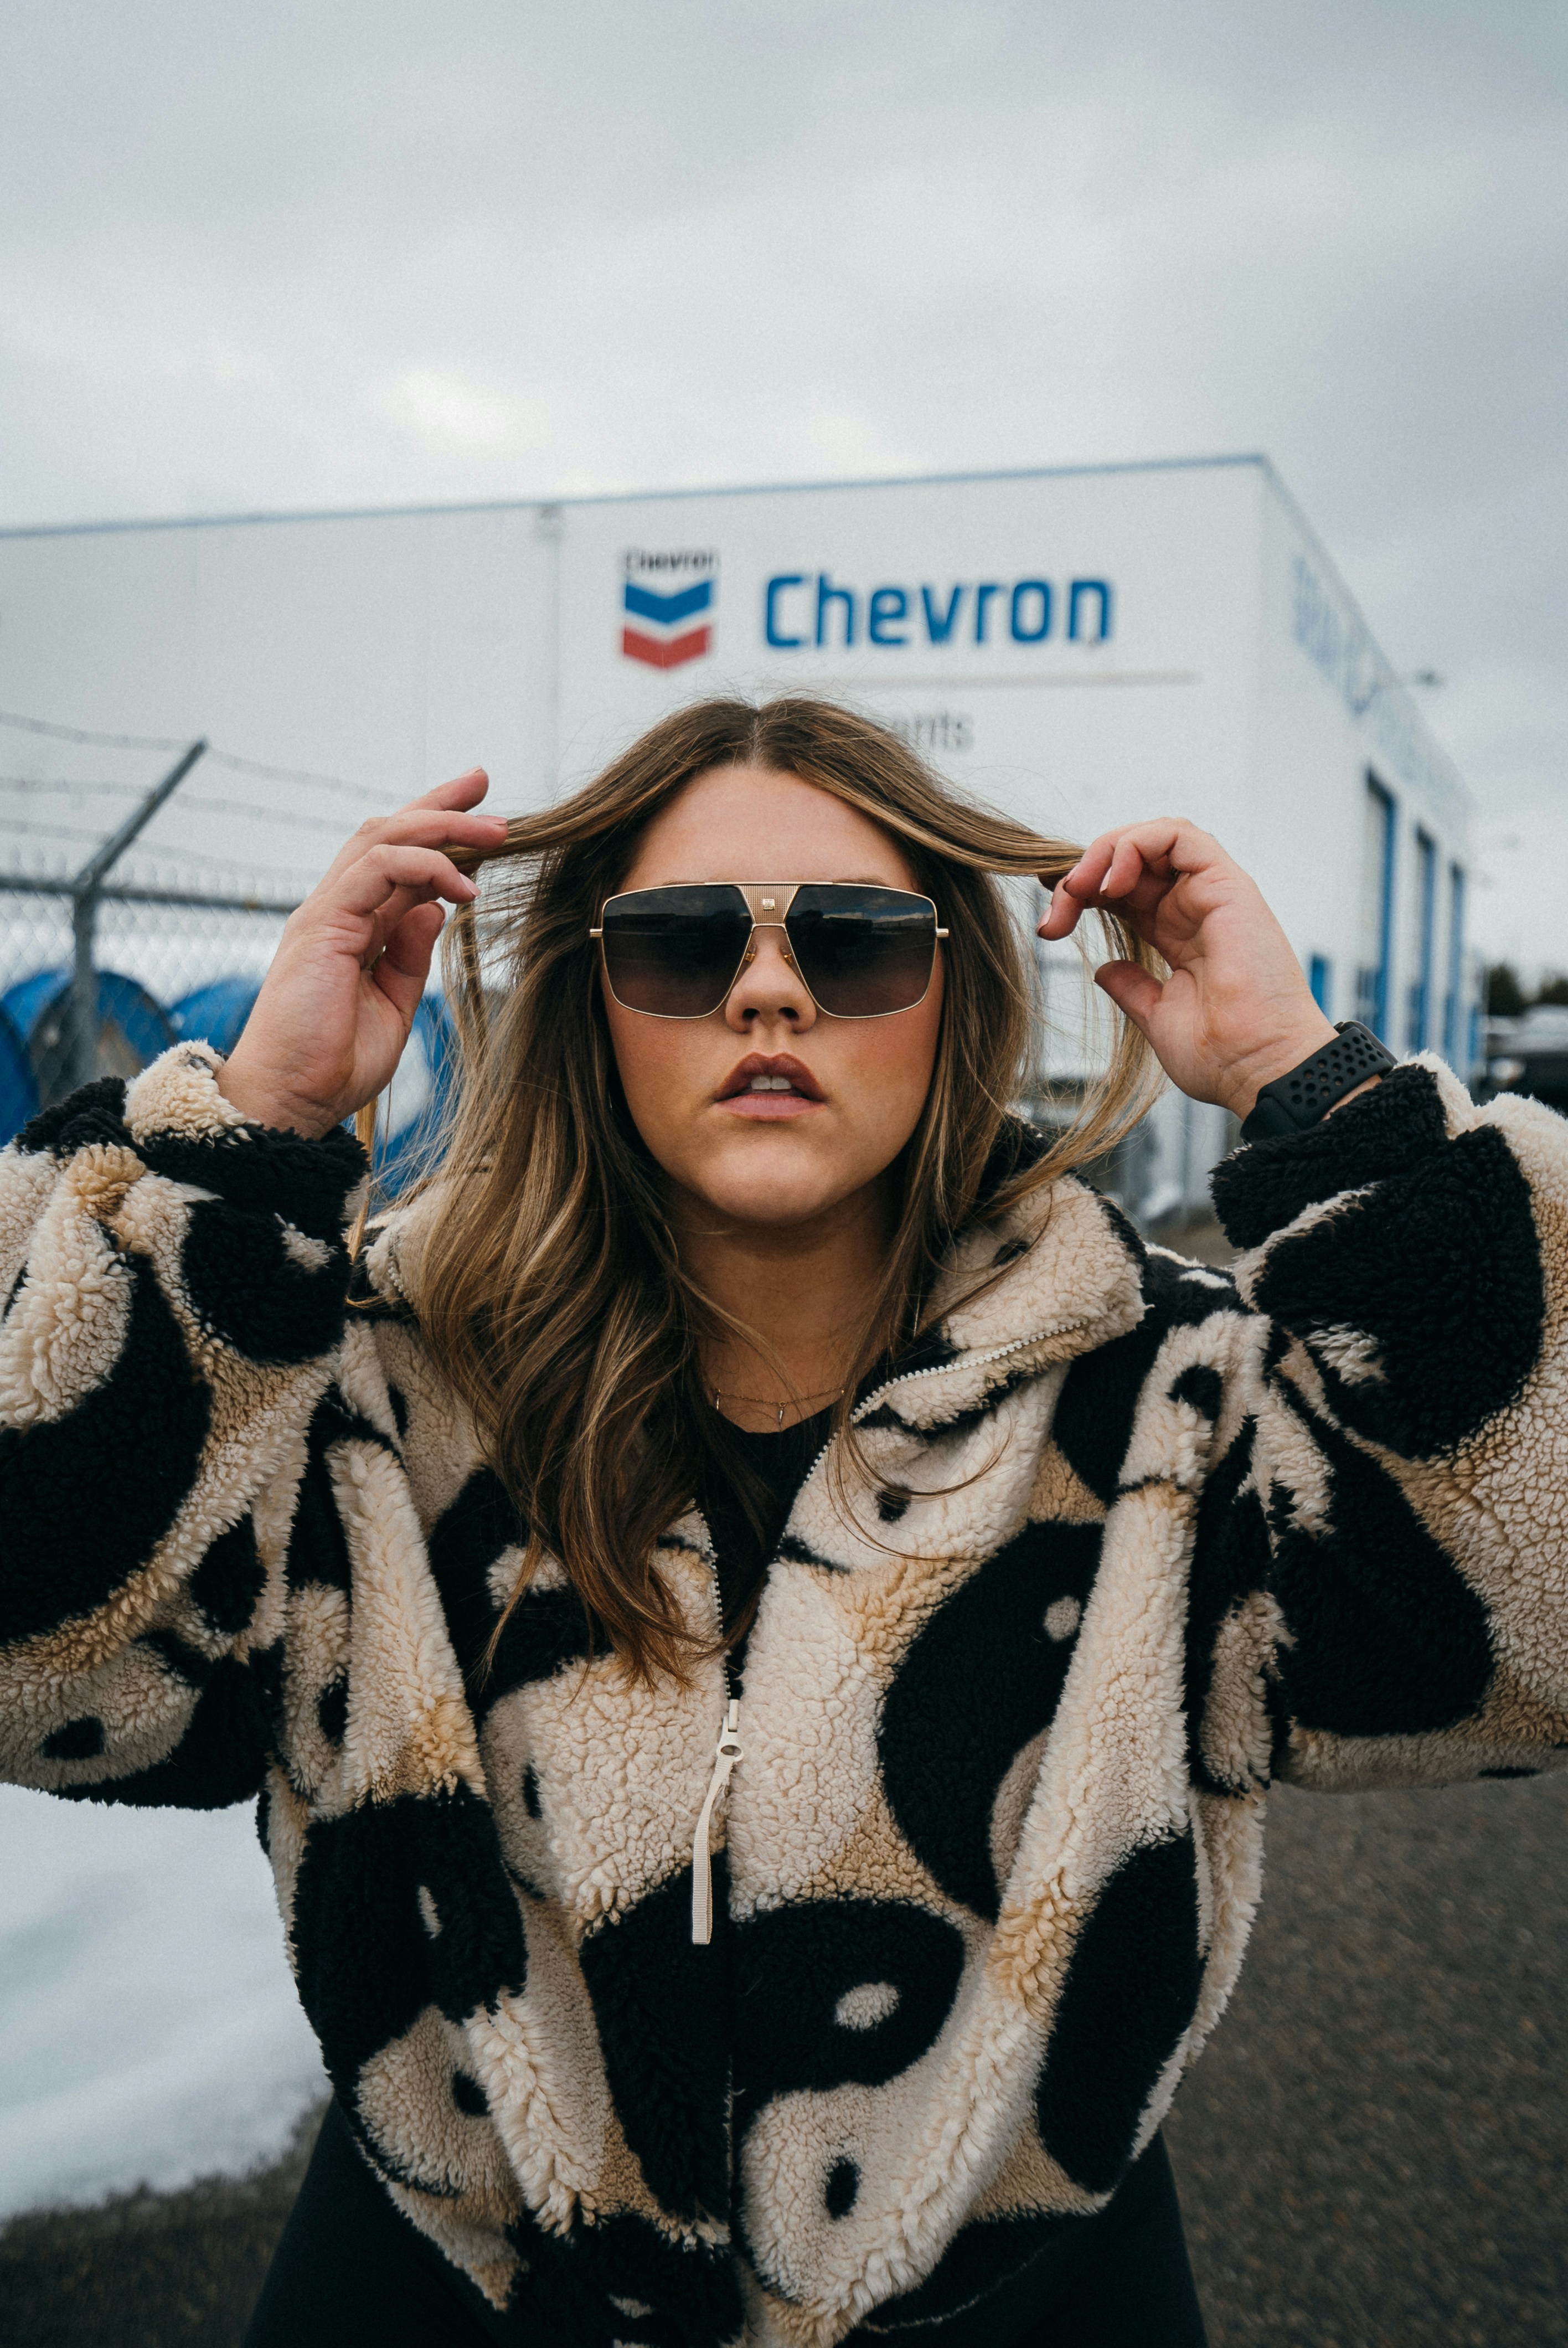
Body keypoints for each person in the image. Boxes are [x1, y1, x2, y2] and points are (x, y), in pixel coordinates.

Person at [2, 697, 1564, 2348]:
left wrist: (1304, 1086)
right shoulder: (370, 1385)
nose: (766, 986)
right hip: (447, 2286)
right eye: (675, 945)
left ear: (953, 986)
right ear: (593, 1008)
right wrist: (250, 1142)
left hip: (1030, 2298)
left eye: (857, 941)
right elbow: (40, 1659)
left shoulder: (1169, 1398)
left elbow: (1536, 1625)